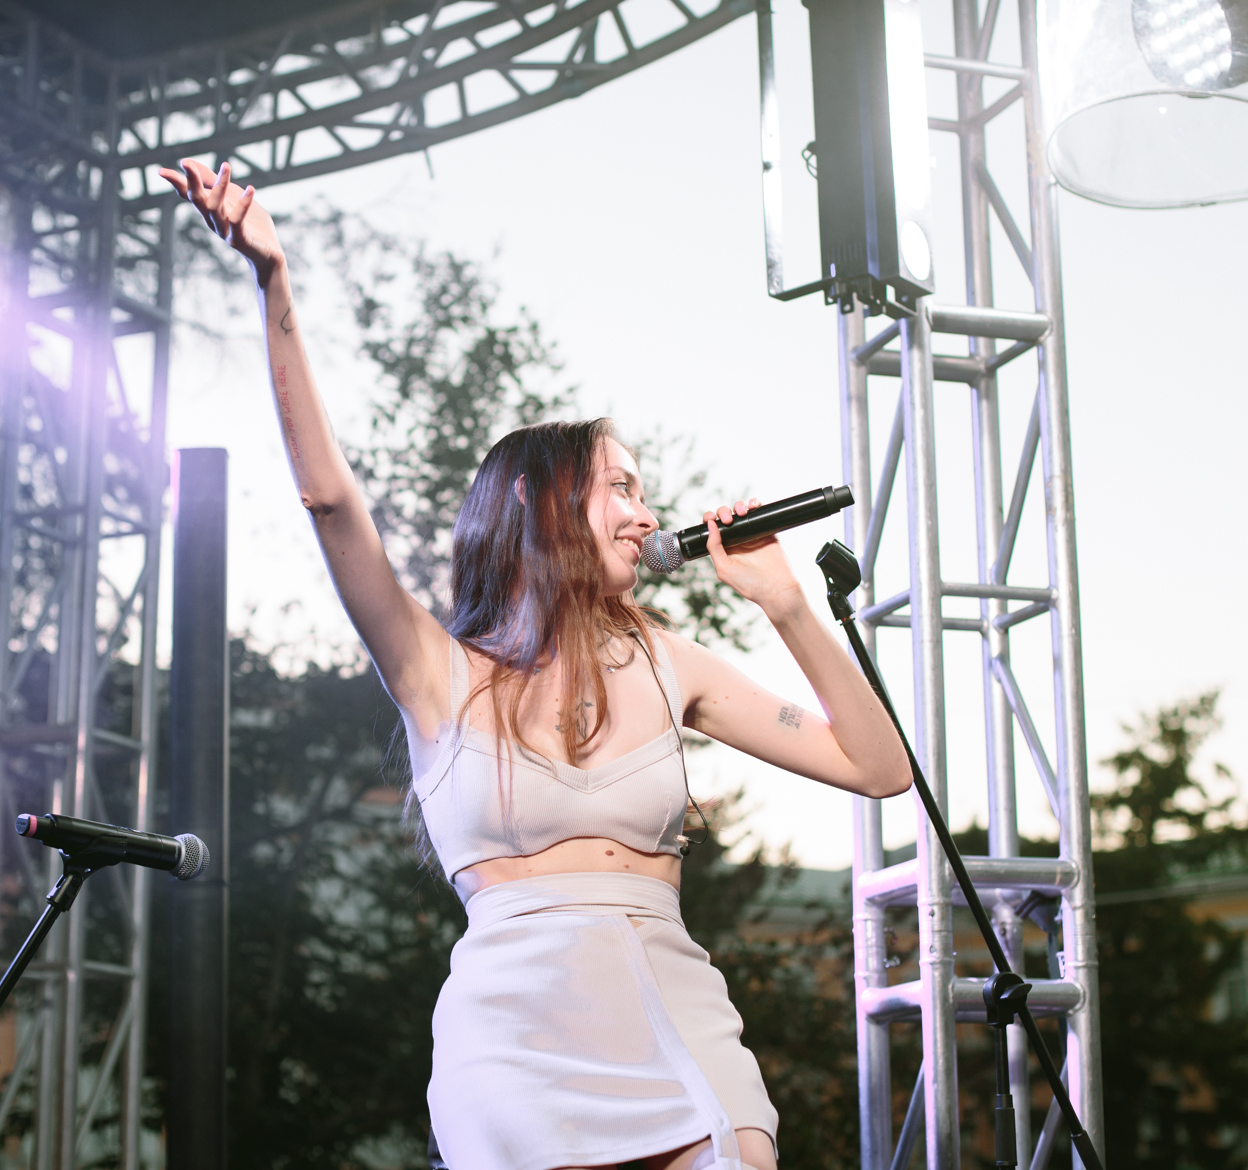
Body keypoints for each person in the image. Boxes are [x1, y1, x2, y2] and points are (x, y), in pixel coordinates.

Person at [161, 158, 912, 1170]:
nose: (646, 512)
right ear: (534, 499)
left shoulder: (668, 661)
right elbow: (331, 502)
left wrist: (784, 605)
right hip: (517, 1035)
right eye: (620, 485)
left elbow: (879, 768)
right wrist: (273, 281)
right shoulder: (438, 673)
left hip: (672, 1003)